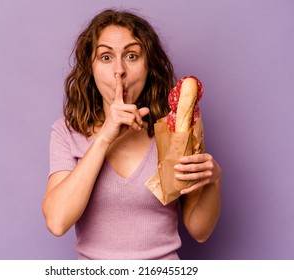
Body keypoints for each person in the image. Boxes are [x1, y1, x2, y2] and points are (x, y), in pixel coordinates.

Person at [42, 9, 221, 260]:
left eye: (131, 55)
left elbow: (199, 230)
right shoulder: (67, 132)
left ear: (149, 66)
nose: (119, 70)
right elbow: (57, 221)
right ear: (90, 68)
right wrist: (104, 138)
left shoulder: (175, 133)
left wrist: (213, 180)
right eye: (105, 57)